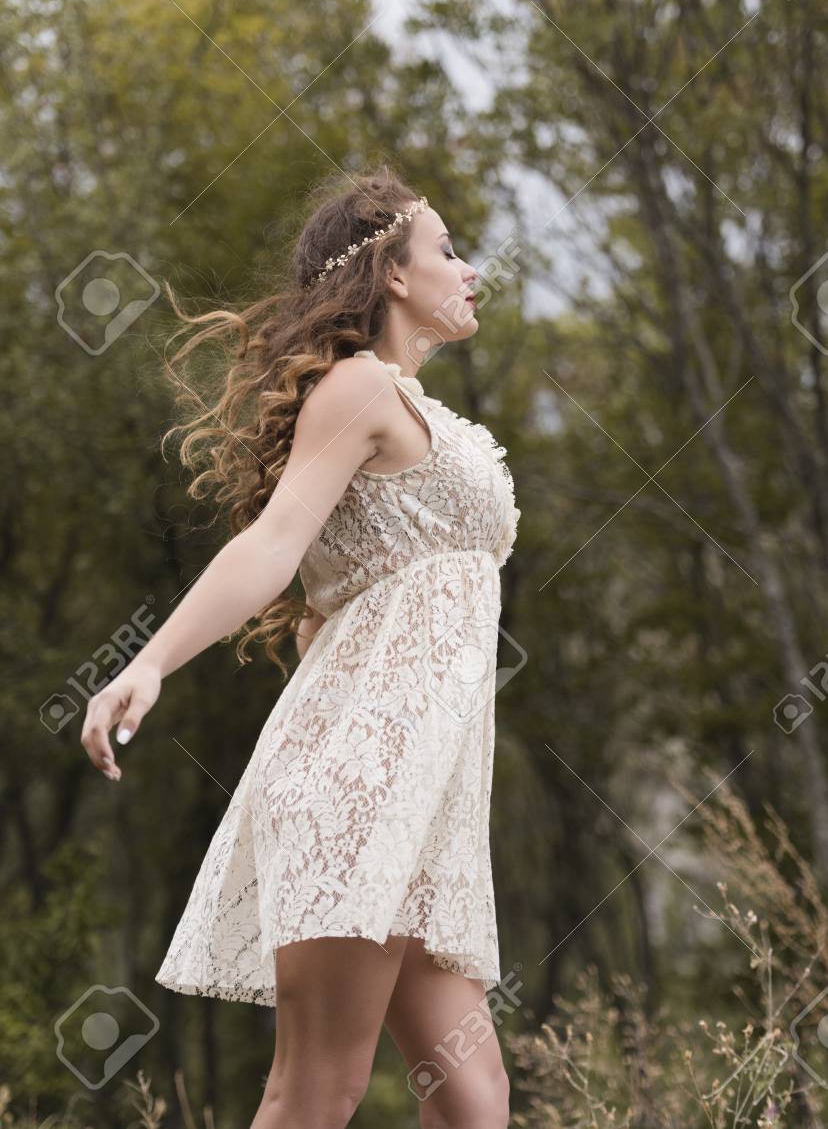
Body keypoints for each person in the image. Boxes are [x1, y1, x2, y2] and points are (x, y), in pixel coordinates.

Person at [80, 164, 520, 1128]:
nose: (470, 268)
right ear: (394, 275)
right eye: (447, 249)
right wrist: (147, 663)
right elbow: (272, 544)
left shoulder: (423, 417)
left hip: (428, 800)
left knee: (477, 1093)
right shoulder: (358, 389)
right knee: (319, 1088)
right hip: (357, 786)